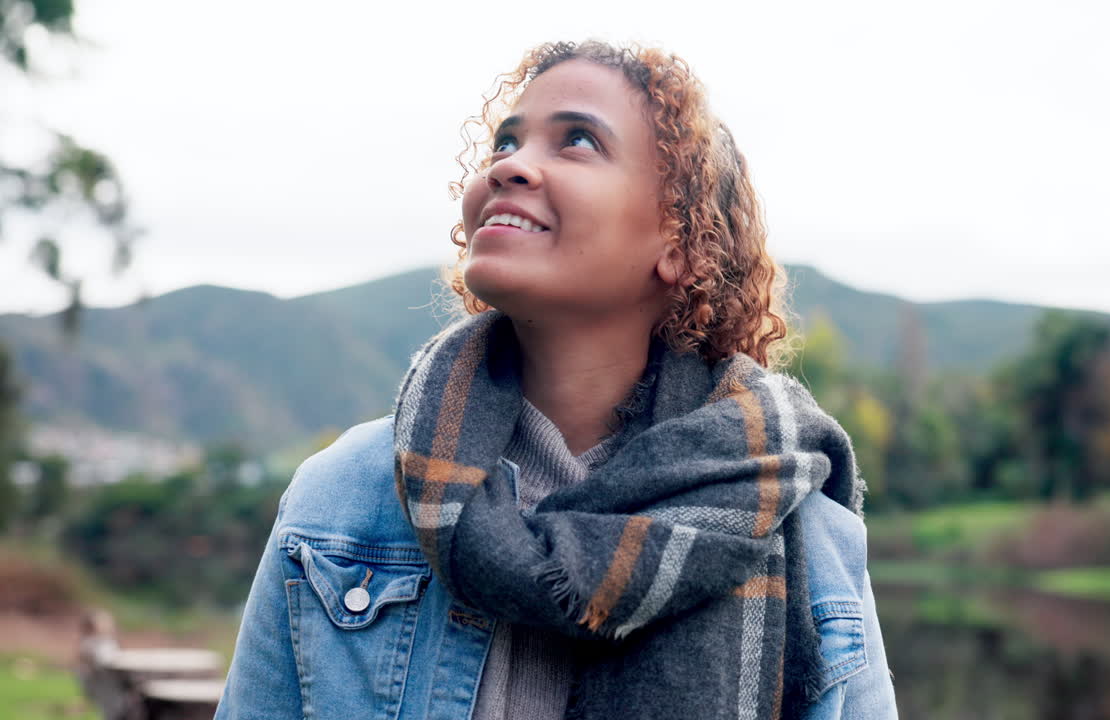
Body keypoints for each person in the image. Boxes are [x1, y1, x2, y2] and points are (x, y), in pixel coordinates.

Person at [214, 40, 897, 720]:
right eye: (506, 142)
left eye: (577, 140)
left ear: (680, 245)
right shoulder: (342, 499)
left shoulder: (798, 530)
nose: (509, 164)